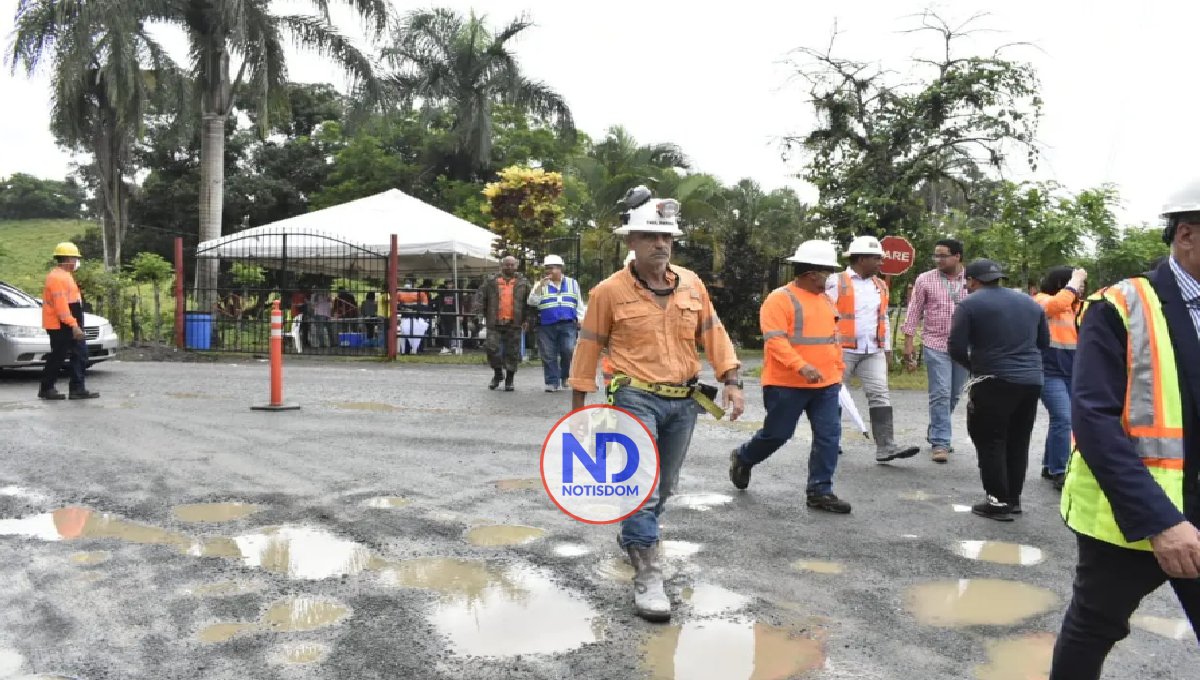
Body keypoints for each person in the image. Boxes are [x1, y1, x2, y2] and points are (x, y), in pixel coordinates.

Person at [567, 185, 743, 622]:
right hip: (633, 396)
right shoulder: (608, 292)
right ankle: (648, 574)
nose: (661, 244)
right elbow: (588, 347)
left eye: (667, 237)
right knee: (643, 486)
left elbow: (714, 332)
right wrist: (578, 410)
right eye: (650, 236)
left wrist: (732, 380)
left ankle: (635, 536)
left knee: (664, 486)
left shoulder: (692, 284)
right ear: (631, 241)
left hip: (684, 400)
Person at [1049, 184, 1200, 680]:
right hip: (1134, 515)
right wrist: (1161, 521)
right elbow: (1093, 420)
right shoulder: (1121, 306)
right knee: (1094, 627)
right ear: (1187, 233)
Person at [728, 240, 850, 513]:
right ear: (810, 273)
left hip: (826, 384)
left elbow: (833, 340)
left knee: (829, 436)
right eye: (826, 272)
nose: (829, 277)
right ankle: (744, 457)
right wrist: (801, 366)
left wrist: (837, 371)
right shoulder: (779, 299)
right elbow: (775, 341)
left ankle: (820, 491)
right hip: (787, 384)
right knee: (777, 434)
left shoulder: (826, 301)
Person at [948, 259, 1048, 521]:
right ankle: (1013, 499)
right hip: (1031, 381)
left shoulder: (969, 305)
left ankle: (997, 501)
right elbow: (1043, 342)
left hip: (993, 380)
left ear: (971, 281)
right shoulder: (1030, 302)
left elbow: (956, 347)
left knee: (990, 439)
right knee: (1018, 440)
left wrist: (974, 367)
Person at [826, 235, 920, 463]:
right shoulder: (835, 282)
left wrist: (886, 349)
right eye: (876, 258)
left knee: (879, 394)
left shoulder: (880, 285)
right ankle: (829, 442)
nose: (881, 263)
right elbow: (824, 314)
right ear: (861, 259)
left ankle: (886, 446)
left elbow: (883, 319)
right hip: (842, 349)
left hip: (872, 350)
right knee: (834, 396)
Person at [902, 238, 970, 463]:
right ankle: (941, 442)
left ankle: (935, 431)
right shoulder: (925, 279)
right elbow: (913, 312)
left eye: (943, 255)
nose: (938, 259)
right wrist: (909, 344)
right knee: (940, 392)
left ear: (957, 256)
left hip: (964, 347)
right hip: (935, 343)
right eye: (936, 255)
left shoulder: (971, 280)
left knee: (954, 394)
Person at [1034, 266, 1087, 490]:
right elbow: (1056, 305)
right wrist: (1075, 280)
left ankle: (1049, 465)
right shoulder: (1041, 300)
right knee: (1064, 418)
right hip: (1048, 371)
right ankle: (1059, 471)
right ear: (1061, 284)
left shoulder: (1079, 308)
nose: (1081, 287)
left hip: (1072, 372)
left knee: (1062, 420)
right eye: (1077, 283)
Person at [38, 242, 98, 400]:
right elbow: (61, 307)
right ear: (68, 259)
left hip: (69, 323)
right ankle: (46, 388)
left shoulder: (66, 276)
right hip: (60, 324)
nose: (77, 261)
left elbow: (72, 303)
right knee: (58, 356)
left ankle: (78, 388)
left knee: (80, 354)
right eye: (75, 258)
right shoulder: (56, 278)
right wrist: (74, 325)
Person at [474, 257, 532, 391]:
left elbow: (530, 302)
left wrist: (528, 319)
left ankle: (510, 379)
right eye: (507, 265)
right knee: (491, 349)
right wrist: (478, 315)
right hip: (494, 322)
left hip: (515, 323)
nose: (510, 267)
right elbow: (480, 299)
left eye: (512, 265)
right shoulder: (491, 281)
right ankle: (498, 374)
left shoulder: (523, 282)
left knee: (513, 352)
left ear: (516, 266)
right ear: (501, 266)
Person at [528, 254, 583, 392]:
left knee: (568, 350)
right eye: (546, 268)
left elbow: (579, 302)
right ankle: (552, 381)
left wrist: (581, 318)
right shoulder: (540, 284)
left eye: (551, 268)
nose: (548, 271)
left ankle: (565, 376)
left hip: (568, 323)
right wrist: (540, 287)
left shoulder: (572, 283)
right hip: (546, 324)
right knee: (548, 354)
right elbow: (532, 302)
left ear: (560, 269)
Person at [396, 280, 430, 355]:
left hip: (415, 317)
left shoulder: (419, 293)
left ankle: (414, 350)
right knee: (406, 333)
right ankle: (410, 351)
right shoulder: (400, 293)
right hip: (409, 316)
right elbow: (395, 304)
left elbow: (425, 305)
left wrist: (406, 306)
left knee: (415, 333)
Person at [436, 280, 463, 355]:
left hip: (454, 314)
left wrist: (460, 314)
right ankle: (447, 347)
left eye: (451, 284)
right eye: (448, 284)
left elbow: (460, 304)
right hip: (445, 315)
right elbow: (441, 305)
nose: (449, 286)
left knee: (456, 331)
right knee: (446, 332)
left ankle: (456, 346)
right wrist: (440, 315)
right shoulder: (443, 294)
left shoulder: (457, 293)